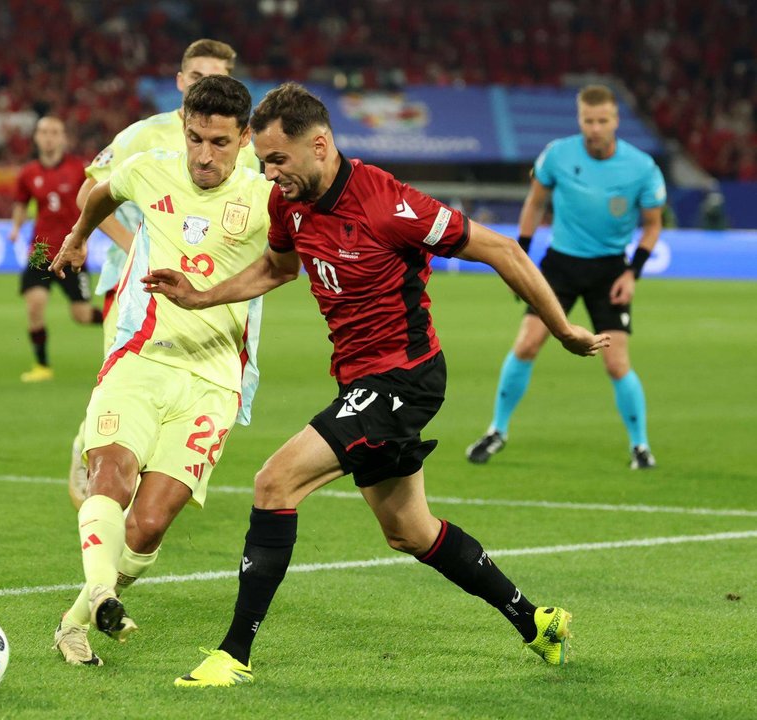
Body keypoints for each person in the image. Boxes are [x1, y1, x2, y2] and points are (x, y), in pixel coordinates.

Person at [141, 82, 609, 687]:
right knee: (410, 532)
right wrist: (203, 295)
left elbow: (500, 250)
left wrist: (563, 328)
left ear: (321, 145)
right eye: (263, 161)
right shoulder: (287, 204)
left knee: (274, 482)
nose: (269, 172)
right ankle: (536, 622)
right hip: (360, 383)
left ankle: (233, 654)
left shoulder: (387, 202)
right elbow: (280, 266)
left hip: (406, 376)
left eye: (278, 159)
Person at [47, 75, 272, 667]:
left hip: (216, 378)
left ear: (244, 138)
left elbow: (287, 267)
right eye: (196, 138)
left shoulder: (267, 197)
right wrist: (75, 240)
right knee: (111, 477)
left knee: (147, 526)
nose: (204, 154)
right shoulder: (151, 168)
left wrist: (208, 295)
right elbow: (100, 192)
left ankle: (74, 622)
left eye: (220, 142)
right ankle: (101, 593)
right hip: (142, 356)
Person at [65, 38, 262, 508]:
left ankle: (152, 477)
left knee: (190, 385)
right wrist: (135, 246)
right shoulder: (144, 136)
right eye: (195, 76)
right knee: (127, 367)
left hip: (214, 291)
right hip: (137, 282)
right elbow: (89, 193)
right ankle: (93, 445)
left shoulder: (245, 151)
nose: (203, 84)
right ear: (180, 81)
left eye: (215, 78)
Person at [465, 84, 665, 470]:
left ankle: (640, 446)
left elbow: (653, 225)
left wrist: (632, 273)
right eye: (588, 121)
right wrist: (518, 256)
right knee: (525, 345)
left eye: (602, 121)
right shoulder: (557, 154)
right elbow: (535, 202)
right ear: (580, 119)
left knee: (616, 363)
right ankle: (497, 430)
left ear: (615, 120)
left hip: (610, 269)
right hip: (560, 266)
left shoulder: (641, 167)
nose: (594, 128)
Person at [9, 116, 102, 383]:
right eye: (44, 132)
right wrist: (16, 228)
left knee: (82, 315)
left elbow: (94, 200)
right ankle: (41, 365)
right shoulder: (28, 173)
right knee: (35, 306)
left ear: (63, 138)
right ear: (36, 137)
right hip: (39, 250)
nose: (48, 137)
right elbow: (21, 203)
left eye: (54, 132)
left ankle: (116, 317)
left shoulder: (79, 170)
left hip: (71, 249)